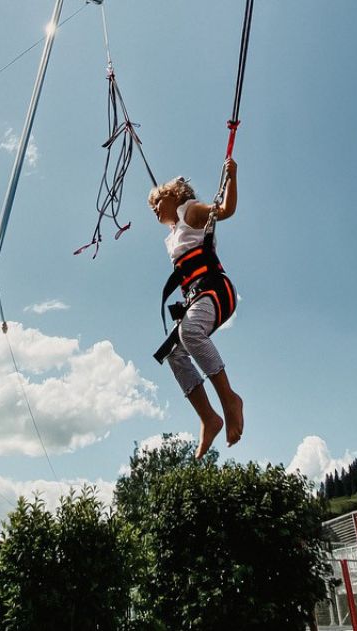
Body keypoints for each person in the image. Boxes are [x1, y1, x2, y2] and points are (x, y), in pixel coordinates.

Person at [149, 158, 244, 459]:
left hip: (216, 288)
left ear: (175, 194)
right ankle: (209, 418)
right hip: (197, 296)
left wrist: (232, 177)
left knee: (189, 332)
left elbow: (225, 211)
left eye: (157, 199)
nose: (153, 207)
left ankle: (229, 399)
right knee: (174, 354)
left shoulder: (189, 211)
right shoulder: (172, 235)